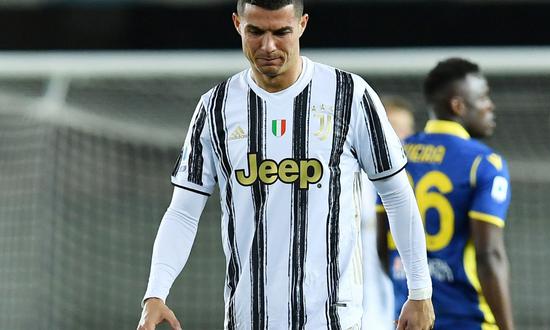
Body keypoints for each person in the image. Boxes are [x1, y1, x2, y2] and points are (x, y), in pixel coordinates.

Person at [137, 1, 434, 329]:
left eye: (281, 32)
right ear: (237, 24)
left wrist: (420, 290)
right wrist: (156, 293)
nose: (268, 45)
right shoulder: (216, 107)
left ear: (302, 25)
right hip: (249, 318)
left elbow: (397, 195)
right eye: (255, 31)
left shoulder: (349, 96)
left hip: (334, 320)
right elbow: (183, 211)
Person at [381, 58, 514, 330]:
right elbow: (489, 256)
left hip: (409, 318)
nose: (490, 106)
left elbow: (383, 246)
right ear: (458, 106)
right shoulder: (484, 164)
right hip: (468, 319)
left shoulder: (395, 154)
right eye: (484, 97)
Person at [361, 96, 415, 330]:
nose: (396, 138)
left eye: (402, 130)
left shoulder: (417, 183)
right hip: (362, 284)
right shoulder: (356, 177)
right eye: (390, 128)